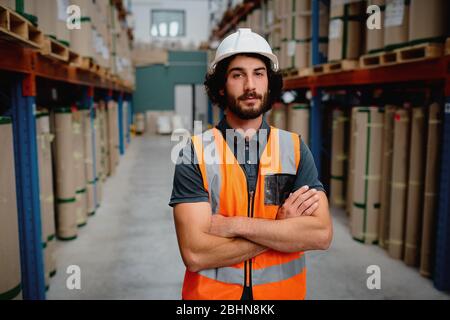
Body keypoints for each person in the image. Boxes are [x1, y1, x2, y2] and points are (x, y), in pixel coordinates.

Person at [169, 28, 333, 300]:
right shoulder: (194, 152)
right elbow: (196, 253)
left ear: (269, 82)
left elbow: (320, 234)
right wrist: (280, 229)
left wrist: (235, 225)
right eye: (238, 75)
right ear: (221, 85)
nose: (250, 86)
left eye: (259, 73)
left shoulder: (294, 149)